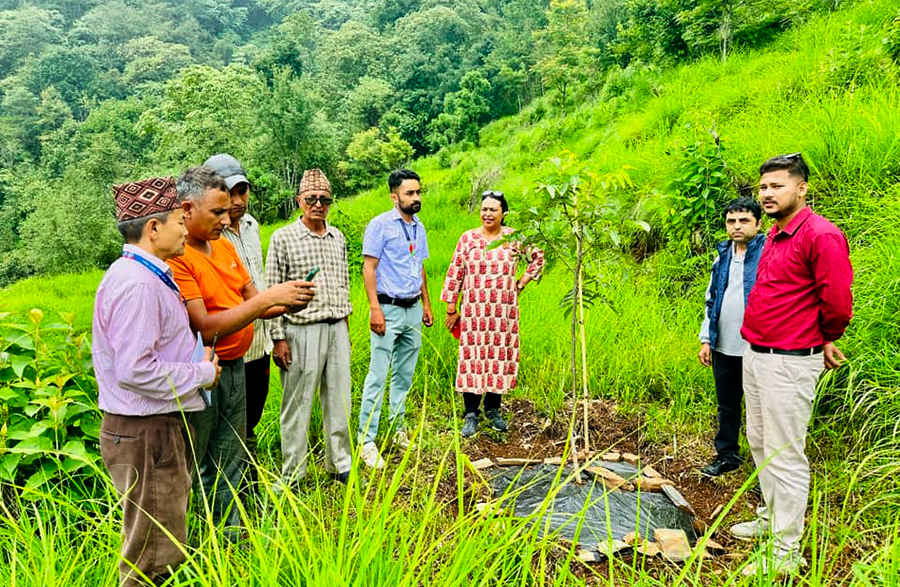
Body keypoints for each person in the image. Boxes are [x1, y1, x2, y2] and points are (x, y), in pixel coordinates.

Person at [167, 166, 314, 538]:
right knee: (197, 459)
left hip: (236, 366)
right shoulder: (178, 257)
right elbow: (204, 325)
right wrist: (268, 299)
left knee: (232, 452)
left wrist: (288, 301)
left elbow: (253, 302)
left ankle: (231, 534)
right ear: (186, 209)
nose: (226, 215)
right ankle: (189, 536)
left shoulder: (224, 246)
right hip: (202, 373)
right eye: (216, 211)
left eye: (227, 208)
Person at [729, 154, 853, 577]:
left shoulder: (821, 236)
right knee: (761, 443)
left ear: (801, 189)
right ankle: (770, 519)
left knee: (785, 453)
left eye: (777, 186)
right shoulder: (776, 235)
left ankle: (785, 550)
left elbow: (837, 302)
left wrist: (825, 336)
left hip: (790, 361)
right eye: (763, 187)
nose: (767, 194)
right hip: (757, 354)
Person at [93, 176, 221, 586]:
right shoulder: (137, 284)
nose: (185, 228)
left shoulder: (142, 274)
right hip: (146, 432)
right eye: (176, 220)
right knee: (153, 557)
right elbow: (135, 370)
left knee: (159, 542)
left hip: (151, 429)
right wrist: (201, 373)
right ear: (153, 228)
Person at [267, 169, 353, 484]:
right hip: (300, 330)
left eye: (324, 200)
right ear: (299, 201)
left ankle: (340, 464)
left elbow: (343, 285)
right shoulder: (283, 237)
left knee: (340, 399)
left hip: (336, 327)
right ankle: (293, 473)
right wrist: (278, 338)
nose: (318, 204)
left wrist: (345, 329)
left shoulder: (337, 237)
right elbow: (273, 287)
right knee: (297, 404)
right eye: (311, 199)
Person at [441, 190, 544, 437]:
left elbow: (538, 257)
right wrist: (451, 308)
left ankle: (493, 410)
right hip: (474, 313)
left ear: (503, 214)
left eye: (493, 210)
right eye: (484, 209)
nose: (487, 214)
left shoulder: (514, 239)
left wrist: (522, 282)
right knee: (472, 359)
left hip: (503, 314)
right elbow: (455, 273)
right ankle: (471, 414)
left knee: (499, 358)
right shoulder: (467, 239)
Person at [358, 168, 434, 468]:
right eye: (409, 193)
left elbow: (420, 267)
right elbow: (369, 268)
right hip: (387, 309)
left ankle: (397, 428)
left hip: (412, 308)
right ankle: (367, 440)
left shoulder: (419, 227)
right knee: (378, 375)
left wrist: (426, 305)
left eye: (418, 192)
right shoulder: (380, 225)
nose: (416, 198)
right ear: (394, 196)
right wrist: (375, 309)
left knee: (404, 374)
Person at [204, 154, 272, 446]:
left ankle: (249, 478)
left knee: (252, 416)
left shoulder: (252, 226)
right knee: (230, 425)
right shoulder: (208, 238)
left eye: (241, 191)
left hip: (260, 342)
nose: (237, 201)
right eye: (229, 193)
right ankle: (237, 484)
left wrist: (276, 337)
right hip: (229, 349)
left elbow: (258, 281)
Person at [697, 197, 765, 477]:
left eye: (744, 220)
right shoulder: (722, 255)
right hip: (724, 344)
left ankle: (766, 465)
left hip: (758, 346)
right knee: (727, 404)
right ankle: (727, 456)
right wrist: (706, 339)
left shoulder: (768, 253)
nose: (737, 226)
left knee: (762, 407)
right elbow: (711, 299)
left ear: (759, 223)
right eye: (731, 221)